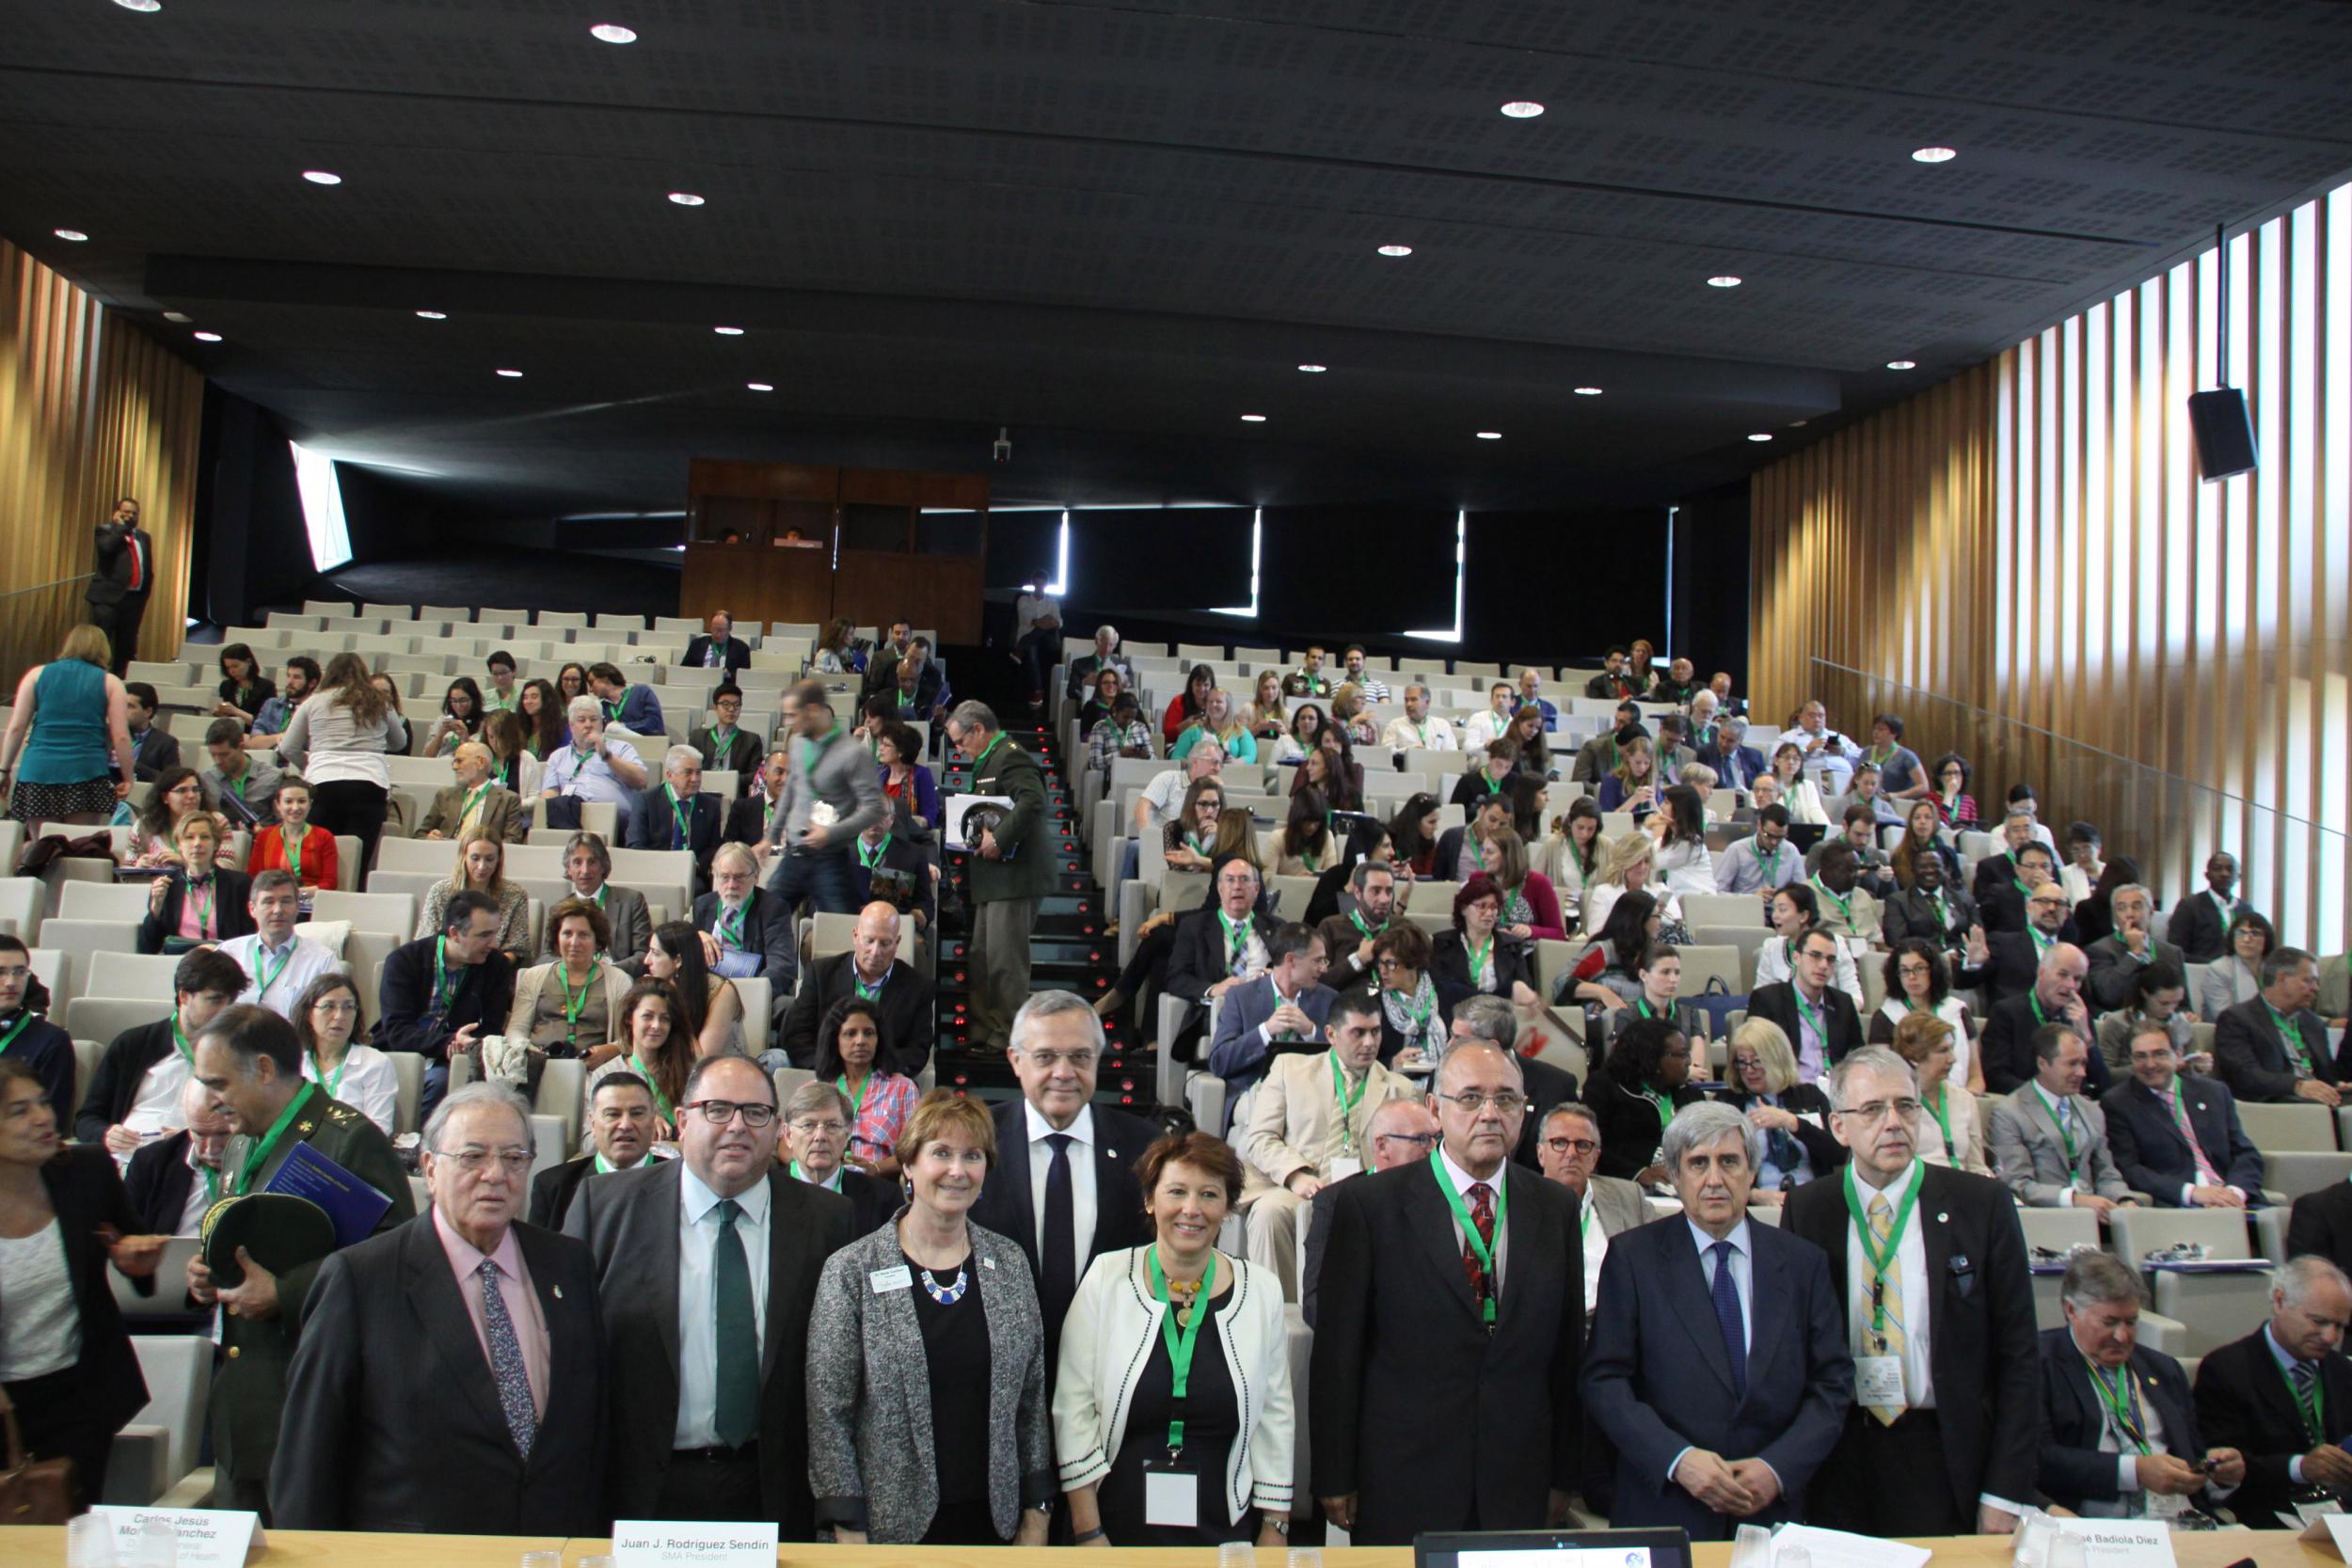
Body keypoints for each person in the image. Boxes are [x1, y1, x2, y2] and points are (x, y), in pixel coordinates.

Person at [271, 1082, 606, 1531]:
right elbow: (307, 1460)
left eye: (514, 1158)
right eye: (472, 1157)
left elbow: (592, 1429)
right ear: (429, 1169)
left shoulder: (568, 1265)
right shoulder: (360, 1278)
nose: (495, 1174)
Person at [1311, 1036, 1582, 1541]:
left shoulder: (1554, 1207)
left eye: (1505, 1099)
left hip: (1518, 1478)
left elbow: (1566, 1355)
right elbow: (1337, 1356)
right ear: (1435, 1109)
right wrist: (1334, 1473)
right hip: (1403, 1477)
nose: (1489, 1113)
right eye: (1471, 1097)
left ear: (1524, 1112)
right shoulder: (1370, 1207)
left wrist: (1565, 1473)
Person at [566, 1053, 853, 1527]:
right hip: (640, 1492)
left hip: (778, 1492)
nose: (738, 1126)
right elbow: (572, 1361)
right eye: (717, 1109)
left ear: (778, 1128)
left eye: (755, 1112)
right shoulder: (605, 1208)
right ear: (681, 1121)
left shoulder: (830, 1220)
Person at [1782, 1046, 2039, 1535]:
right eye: (1873, 1110)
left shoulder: (1981, 1204)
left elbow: (2020, 1356)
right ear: (1839, 1127)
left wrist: (2007, 1490)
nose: (1894, 1122)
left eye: (1905, 1106)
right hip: (1840, 1455)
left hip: (1946, 1450)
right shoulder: (1810, 1209)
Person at [184, 1004, 416, 1515]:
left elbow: (399, 1258)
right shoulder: (242, 1143)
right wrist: (207, 1278)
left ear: (264, 1069)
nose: (212, 1100)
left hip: (314, 1402)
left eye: (219, 1083)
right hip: (245, 1403)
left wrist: (284, 1293)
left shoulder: (347, 1139)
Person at [1581, 1100, 1851, 1536]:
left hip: (1774, 1512)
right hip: (1667, 1506)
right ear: (1674, 1176)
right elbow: (1605, 1380)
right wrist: (1678, 1460)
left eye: (1729, 1162)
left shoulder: (1803, 1264)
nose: (1714, 1180)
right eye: (1697, 1163)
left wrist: (1777, 1468)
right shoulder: (1633, 1259)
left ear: (1750, 1170)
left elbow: (1832, 1383)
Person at [808, 1089, 1055, 1546]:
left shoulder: (1010, 1263)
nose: (958, 1171)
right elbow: (829, 1415)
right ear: (908, 1164)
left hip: (995, 1530)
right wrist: (848, 1530)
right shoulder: (852, 1270)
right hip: (884, 1535)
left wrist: (1036, 1517)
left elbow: (1032, 1401)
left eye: (972, 1156)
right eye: (940, 1153)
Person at [1057, 1132, 1295, 1547]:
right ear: (1151, 1200)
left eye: (1208, 1194)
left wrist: (1275, 1528)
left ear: (1228, 1207)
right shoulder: (1106, 1277)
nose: (1192, 1209)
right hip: (1114, 1528)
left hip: (1224, 1529)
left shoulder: (1262, 1290)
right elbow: (1073, 1410)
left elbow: (1275, 1417)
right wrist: (1088, 1531)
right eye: (1177, 1192)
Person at [0, 1056, 164, 1513]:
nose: (42, 1118)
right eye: (18, 1111)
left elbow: (132, 1242)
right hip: (5, 1400)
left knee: (68, 1531)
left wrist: (136, 1262)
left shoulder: (86, 1172)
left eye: (43, 1103)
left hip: (79, 1395)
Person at [1235, 988, 1414, 1300]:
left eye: (1375, 1032)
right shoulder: (1290, 1069)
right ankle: (1280, 1314)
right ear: (1331, 1034)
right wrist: (1295, 1176)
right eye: (1358, 1033)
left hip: (1367, 1194)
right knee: (1269, 1213)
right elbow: (1260, 1138)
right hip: (1301, 1187)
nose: (1369, 1043)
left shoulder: (1401, 1089)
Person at [2039, 1249, 2244, 1518]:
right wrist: (2135, 1471)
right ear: (2071, 1310)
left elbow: (2192, 1459)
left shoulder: (2165, 1369)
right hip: (2095, 1525)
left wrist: (2218, 1474)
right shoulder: (2037, 1364)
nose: (2123, 1337)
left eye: (2131, 1322)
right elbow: (2039, 1460)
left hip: (2180, 1521)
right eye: (2109, 1322)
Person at [2191, 1256, 2352, 1527]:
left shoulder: (2341, 1370)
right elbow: (2225, 1467)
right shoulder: (2226, 1369)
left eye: (2339, 1326)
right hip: (2266, 1510)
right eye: (2319, 1322)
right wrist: (2300, 1468)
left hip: (2340, 1509)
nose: (2330, 1338)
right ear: (2279, 1301)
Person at [943, 703, 1051, 1053]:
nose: (958, 750)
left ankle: (1010, 1038)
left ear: (978, 729)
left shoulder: (1011, 756)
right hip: (996, 878)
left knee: (1006, 961)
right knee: (982, 956)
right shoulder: (992, 758)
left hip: (1015, 877)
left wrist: (1001, 837)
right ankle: (984, 1032)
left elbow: (1033, 801)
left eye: (960, 741)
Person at [72, 947, 243, 1154]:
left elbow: (247, 1126)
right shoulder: (133, 1045)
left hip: (192, 1158)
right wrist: (105, 1134)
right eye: (215, 1000)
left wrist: (186, 1139)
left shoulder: (239, 1055)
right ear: (184, 996)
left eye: (230, 1002)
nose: (224, 1011)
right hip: (125, 1155)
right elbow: (86, 1119)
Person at [379, 891, 517, 1119]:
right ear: (455, 933)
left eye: (495, 934)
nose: (493, 944)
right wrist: (449, 1041)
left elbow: (491, 1028)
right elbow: (396, 1030)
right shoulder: (405, 960)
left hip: (453, 1061)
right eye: (484, 935)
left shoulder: (496, 966)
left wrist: (467, 1044)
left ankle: (428, 1147)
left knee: (443, 1081)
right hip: (403, 1052)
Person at [2102, 1017, 2264, 1208]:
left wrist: (2234, 1194)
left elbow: (2245, 1153)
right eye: (2140, 1056)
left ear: (2178, 1054)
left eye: (2159, 1054)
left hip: (2234, 1200)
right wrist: (2192, 1193)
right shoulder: (2119, 1103)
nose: (2150, 1064)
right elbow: (2130, 1169)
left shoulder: (2214, 1092)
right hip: (2179, 1205)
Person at [762, 680, 886, 920]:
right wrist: (771, 836)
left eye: (792, 715)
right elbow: (791, 789)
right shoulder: (797, 742)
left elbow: (874, 807)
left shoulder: (853, 752)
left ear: (811, 709)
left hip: (830, 859)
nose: (788, 722)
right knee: (765, 920)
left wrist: (831, 833)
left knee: (838, 931)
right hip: (794, 855)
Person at [278, 651, 408, 869]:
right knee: (358, 861)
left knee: (321, 860)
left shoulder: (313, 703)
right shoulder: (379, 702)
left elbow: (287, 747)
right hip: (368, 784)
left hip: (323, 784)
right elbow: (399, 742)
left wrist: (308, 764)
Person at [1988, 1026, 2136, 1212]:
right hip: (2046, 1216)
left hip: (2094, 1216)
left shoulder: (2092, 1110)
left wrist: (2122, 1198)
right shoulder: (2009, 1112)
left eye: (2083, 1063)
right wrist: (2073, 1199)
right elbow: (2017, 1183)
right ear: (2043, 1063)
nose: (2082, 1072)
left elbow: (2106, 1173)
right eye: (2072, 1063)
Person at [0, 625, 135, 826]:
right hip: (87, 772)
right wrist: (128, 777)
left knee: (42, 848)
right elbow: (121, 736)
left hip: (38, 771)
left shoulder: (36, 675)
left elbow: (17, 728)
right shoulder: (111, 682)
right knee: (79, 846)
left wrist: (4, 770)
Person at [1534, 1101, 1647, 1312]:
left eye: (1582, 1145)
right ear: (1541, 1153)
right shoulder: (1520, 1202)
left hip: (1616, 1322)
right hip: (1549, 1328)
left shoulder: (1629, 1196)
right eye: (1559, 1143)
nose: (1571, 1153)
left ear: (1595, 1157)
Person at [1716, 1018, 1840, 1196]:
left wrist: (1792, 1122)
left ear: (1777, 1059)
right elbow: (1718, 1164)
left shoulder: (1809, 1096)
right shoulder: (1728, 1104)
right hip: (1758, 1200)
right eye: (1742, 1062)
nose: (1749, 1070)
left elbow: (1838, 1153)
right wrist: (1751, 1195)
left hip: (1812, 1195)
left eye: (1757, 1061)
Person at [507, 896, 633, 1069]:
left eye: (583, 935)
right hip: (536, 1067)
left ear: (597, 941)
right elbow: (515, 1031)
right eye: (567, 934)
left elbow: (629, 1039)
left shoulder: (619, 981)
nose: (574, 943)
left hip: (593, 1070)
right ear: (556, 940)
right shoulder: (533, 976)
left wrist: (609, 1050)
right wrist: (533, 1055)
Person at [529, 1070, 666, 1229]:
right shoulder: (553, 1186)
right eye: (613, 1114)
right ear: (592, 1123)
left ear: (653, 1121)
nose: (626, 1125)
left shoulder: (679, 1182)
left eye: (637, 1114)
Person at [2215, 945, 2344, 1104]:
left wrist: (2338, 1085)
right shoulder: (2237, 1019)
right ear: (2281, 978)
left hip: (2317, 1100)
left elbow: (2327, 1075)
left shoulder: (2313, 1022)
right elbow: (2246, 1075)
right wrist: (2297, 1085)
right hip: (2275, 1103)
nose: (2316, 988)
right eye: (2309, 981)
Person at [1583, 1016, 1706, 1183]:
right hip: (1623, 1187)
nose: (1689, 1061)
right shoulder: (1605, 1087)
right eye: (1681, 1054)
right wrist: (1639, 1173)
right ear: (1653, 1059)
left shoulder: (1692, 1096)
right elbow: (1589, 1144)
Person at [1979, 943, 2098, 1097]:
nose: (2070, 985)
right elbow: (1996, 1076)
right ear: (2041, 972)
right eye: (2063, 975)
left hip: (2072, 1106)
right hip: (2025, 1104)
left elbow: (2101, 1085)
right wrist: (2045, 1097)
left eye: (2077, 979)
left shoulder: (2081, 1018)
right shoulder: (2007, 1013)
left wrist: (2087, 1038)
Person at [215, 870, 340, 1017]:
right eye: (268, 901)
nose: (278, 910)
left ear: (297, 907)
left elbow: (332, 1018)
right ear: (252, 909)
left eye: (286, 901)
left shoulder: (322, 962)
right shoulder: (228, 953)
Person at [1747, 927, 1865, 1083]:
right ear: (1796, 957)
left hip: (1836, 1093)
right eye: (1815, 956)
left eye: (1830, 959)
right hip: (1789, 1091)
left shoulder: (1843, 1003)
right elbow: (1755, 1058)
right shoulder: (1767, 1000)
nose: (1823, 965)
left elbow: (1858, 1054)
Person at [779, 1080, 893, 1235]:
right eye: (808, 1125)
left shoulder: (884, 1199)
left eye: (832, 1125)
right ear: (788, 1135)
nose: (820, 1136)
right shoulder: (764, 1195)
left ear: (848, 1133)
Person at [123, 1075, 231, 1236]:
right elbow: (124, 1238)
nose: (210, 1149)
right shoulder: (151, 1163)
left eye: (223, 1134)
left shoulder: (268, 1165)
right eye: (199, 1134)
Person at [292, 971, 394, 1135]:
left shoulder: (375, 1063)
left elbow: (379, 1132)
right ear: (309, 1014)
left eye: (348, 1007)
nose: (339, 1016)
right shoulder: (293, 1064)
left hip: (351, 1155)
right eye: (328, 1006)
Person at [135, 814, 255, 955]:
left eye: (205, 837)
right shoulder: (167, 884)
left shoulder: (239, 884)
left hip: (224, 965)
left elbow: (250, 941)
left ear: (216, 843)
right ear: (179, 844)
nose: (197, 843)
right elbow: (147, 948)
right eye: (189, 837)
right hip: (177, 964)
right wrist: (155, 909)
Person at [1893, 1011, 1989, 1175]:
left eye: (1951, 1049)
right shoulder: (1893, 1104)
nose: (1953, 1059)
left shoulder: (1964, 1099)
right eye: (1943, 1050)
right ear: (1915, 1055)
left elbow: (1977, 1165)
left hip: (1967, 1188)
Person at [416, 833, 533, 965]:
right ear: (463, 857)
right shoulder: (439, 892)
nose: (482, 866)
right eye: (475, 858)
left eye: (489, 859)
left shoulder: (515, 895)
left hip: (491, 970)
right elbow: (426, 941)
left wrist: (490, 969)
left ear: (498, 860)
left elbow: (518, 949)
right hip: (444, 967)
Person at [543, 695, 651, 837]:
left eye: (594, 719)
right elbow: (549, 795)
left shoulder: (621, 748)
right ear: (571, 726)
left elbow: (641, 781)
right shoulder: (558, 757)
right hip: (570, 818)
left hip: (618, 820)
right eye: (581, 720)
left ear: (602, 723)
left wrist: (607, 756)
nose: (588, 725)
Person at [546, 831, 651, 964]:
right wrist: (576, 970)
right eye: (577, 862)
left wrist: (608, 972)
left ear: (603, 866)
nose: (585, 870)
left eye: (592, 862)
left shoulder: (632, 901)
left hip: (617, 979)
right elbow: (545, 957)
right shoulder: (558, 910)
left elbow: (643, 955)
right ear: (568, 869)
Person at [628, 744, 723, 885]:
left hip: (691, 873)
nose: (695, 779)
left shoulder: (711, 805)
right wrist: (665, 866)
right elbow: (635, 844)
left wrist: (696, 864)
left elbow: (713, 847)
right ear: (669, 775)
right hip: (652, 871)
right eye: (688, 772)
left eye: (698, 772)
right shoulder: (646, 800)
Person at [84, 496, 154, 672]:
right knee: (102, 643)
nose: (130, 516)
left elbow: (147, 565)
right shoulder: (105, 530)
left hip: (134, 599)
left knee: (127, 645)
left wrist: (144, 594)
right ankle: (98, 681)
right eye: (126, 513)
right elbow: (106, 549)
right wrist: (120, 528)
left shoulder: (144, 536)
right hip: (108, 599)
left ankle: (121, 684)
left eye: (134, 513)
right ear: (117, 513)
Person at [244, 774, 338, 897]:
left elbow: (330, 883)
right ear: (278, 805)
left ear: (310, 804)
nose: (295, 807)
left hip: (310, 903)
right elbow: (254, 877)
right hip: (271, 901)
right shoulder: (265, 836)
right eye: (288, 801)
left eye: (302, 801)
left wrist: (296, 894)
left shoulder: (324, 836)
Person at [1882, 844, 1976, 965]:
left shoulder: (1965, 900)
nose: (1930, 870)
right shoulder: (1898, 901)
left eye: (1935, 865)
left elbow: (1976, 938)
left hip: (1963, 963)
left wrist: (1962, 953)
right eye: (1923, 866)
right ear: (1913, 870)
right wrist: (1942, 956)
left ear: (1945, 869)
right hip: (1924, 964)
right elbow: (1897, 941)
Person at [420, 740, 526, 844]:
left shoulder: (508, 800)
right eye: (454, 762)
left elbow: (513, 841)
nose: (454, 767)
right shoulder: (445, 795)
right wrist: (429, 838)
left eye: (459, 761)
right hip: (445, 854)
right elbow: (420, 835)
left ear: (481, 762)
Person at [2165, 850, 2258, 963]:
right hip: (2201, 972)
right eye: (2217, 868)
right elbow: (2175, 951)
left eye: (2230, 869)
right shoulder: (2189, 906)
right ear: (2207, 875)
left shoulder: (2245, 910)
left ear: (2238, 877)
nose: (2224, 874)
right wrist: (2214, 966)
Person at [2199, 909, 2276, 1020]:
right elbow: (2225, 1016)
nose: (2246, 939)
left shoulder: (2273, 968)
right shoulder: (2218, 970)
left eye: (2255, 933)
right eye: (2241, 933)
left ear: (2267, 939)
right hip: (2234, 1031)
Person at [1713, 803, 1797, 898]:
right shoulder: (1737, 850)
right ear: (1759, 825)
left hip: (1780, 909)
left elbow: (1802, 893)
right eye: (1768, 835)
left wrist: (1784, 896)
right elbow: (1717, 892)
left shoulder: (1791, 851)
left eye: (1780, 837)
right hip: (1745, 909)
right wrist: (1751, 898)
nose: (1774, 842)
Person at [687, 682, 761, 780]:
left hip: (734, 790)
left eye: (737, 705)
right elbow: (688, 768)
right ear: (715, 708)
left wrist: (729, 780)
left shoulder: (752, 740)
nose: (731, 709)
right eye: (726, 704)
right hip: (703, 788)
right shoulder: (697, 737)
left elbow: (756, 775)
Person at [119, 680, 181, 782]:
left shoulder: (166, 743)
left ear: (148, 712)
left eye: (130, 706)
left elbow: (171, 781)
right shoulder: (107, 735)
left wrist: (133, 765)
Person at [1063, 624, 1134, 701]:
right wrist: (1084, 683)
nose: (1107, 649)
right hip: (1090, 705)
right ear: (1097, 641)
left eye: (1111, 645)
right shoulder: (1079, 664)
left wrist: (1124, 686)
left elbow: (1132, 692)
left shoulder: (1124, 665)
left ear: (1115, 646)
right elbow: (1070, 692)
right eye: (1104, 644)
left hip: (1116, 706)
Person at [1379, 683, 1456, 752]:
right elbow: (1386, 753)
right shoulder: (1395, 724)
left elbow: (1452, 754)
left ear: (1427, 702)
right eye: (1406, 700)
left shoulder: (1442, 725)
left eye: (1413, 700)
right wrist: (1409, 751)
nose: (1408, 704)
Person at [683, 610, 752, 674]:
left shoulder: (741, 649)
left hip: (726, 684)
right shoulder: (697, 644)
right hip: (700, 681)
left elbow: (744, 676)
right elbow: (684, 669)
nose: (717, 634)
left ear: (730, 629)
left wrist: (729, 675)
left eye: (721, 630)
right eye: (714, 629)